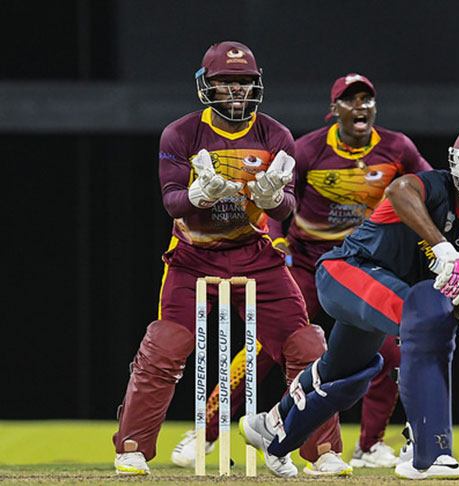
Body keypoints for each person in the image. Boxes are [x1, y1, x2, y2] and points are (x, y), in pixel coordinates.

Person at [112, 40, 344, 477]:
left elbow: (287, 210)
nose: (235, 92)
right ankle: (132, 446)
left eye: (243, 83)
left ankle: (324, 449)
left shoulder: (276, 135)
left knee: (307, 345)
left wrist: (273, 197)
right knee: (165, 346)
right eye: (225, 83)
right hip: (193, 257)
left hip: (255, 254)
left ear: (256, 86)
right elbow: (171, 201)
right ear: (207, 87)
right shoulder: (181, 133)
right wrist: (199, 195)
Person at [238, 121, 459, 479]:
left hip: (384, 296)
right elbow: (400, 191)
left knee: (349, 374)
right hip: (347, 271)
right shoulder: (433, 186)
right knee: (426, 316)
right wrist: (442, 247)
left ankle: (273, 430)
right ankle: (427, 450)